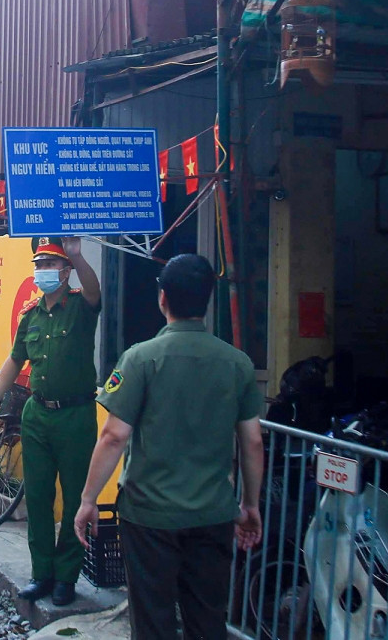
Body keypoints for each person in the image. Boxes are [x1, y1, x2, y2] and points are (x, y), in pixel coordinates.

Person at [74, 254, 265, 640]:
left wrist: (89, 499)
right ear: (207, 301)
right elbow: (253, 442)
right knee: (208, 618)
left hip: (149, 516)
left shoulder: (140, 359)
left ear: (162, 299)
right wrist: (250, 506)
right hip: (213, 512)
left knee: (153, 620)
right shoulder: (238, 364)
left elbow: (114, 436)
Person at [0, 236, 101, 607]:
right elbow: (15, 360)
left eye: (50, 265)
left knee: (77, 494)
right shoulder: (30, 315)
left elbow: (95, 290)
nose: (42, 271)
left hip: (75, 415)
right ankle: (41, 574)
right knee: (39, 495)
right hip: (37, 414)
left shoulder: (81, 306)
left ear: (65, 272)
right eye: (39, 265)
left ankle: (66, 577)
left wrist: (78, 256)